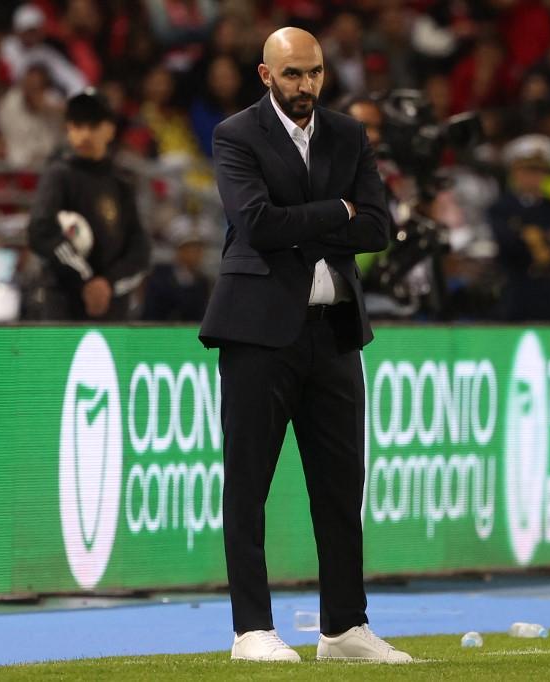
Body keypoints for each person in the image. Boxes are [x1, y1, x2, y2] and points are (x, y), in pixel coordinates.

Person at [197, 27, 409, 664]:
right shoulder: (236, 134)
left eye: (314, 72)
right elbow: (256, 223)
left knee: (342, 487)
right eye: (292, 73)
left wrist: (309, 223)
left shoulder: (348, 133)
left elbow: (379, 228)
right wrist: (337, 211)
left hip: (335, 330)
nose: (306, 84)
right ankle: (251, 629)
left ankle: (344, 628)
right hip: (257, 332)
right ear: (266, 75)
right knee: (248, 484)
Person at [27, 89, 150, 321]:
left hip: (112, 308)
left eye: (93, 126)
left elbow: (140, 250)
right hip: (64, 303)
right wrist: (84, 280)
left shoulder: (121, 182)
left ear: (110, 129)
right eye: (77, 125)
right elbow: (40, 231)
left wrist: (109, 283)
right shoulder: (59, 175)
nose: (84, 134)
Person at [488, 134, 550, 322]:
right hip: (515, 292)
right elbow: (507, 243)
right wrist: (545, 238)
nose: (534, 177)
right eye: (528, 171)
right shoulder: (502, 208)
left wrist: (531, 236)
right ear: (515, 173)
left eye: (540, 171)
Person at [142, 215, 213, 321]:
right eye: (191, 249)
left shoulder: (203, 282)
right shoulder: (159, 277)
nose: (197, 255)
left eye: (199, 249)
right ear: (179, 251)